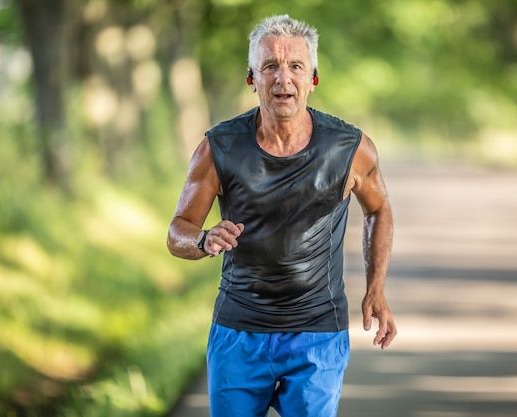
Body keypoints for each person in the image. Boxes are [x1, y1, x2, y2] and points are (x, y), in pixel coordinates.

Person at [167, 14, 396, 417]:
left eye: (295, 67)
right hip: (238, 332)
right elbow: (177, 232)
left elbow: (378, 210)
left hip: (318, 333)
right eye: (270, 66)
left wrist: (375, 289)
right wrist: (203, 240)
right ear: (252, 78)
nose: (282, 78)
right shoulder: (219, 148)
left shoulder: (350, 149)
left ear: (314, 79)